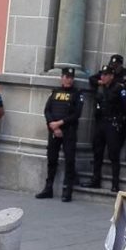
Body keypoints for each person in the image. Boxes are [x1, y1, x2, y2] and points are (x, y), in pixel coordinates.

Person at [37, 67, 84, 201]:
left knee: (69, 160)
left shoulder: (77, 94)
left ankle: (67, 190)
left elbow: (77, 114)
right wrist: (53, 125)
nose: (68, 79)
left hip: (68, 131)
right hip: (54, 131)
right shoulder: (55, 92)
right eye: (66, 76)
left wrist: (60, 123)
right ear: (61, 77)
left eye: (70, 77)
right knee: (52, 159)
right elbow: (47, 110)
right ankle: (48, 188)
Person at [82, 65, 126, 193]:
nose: (102, 77)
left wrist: (120, 122)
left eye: (105, 75)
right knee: (97, 152)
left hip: (112, 124)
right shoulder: (101, 88)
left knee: (113, 154)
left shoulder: (119, 88)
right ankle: (95, 180)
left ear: (112, 76)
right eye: (102, 74)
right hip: (100, 123)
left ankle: (115, 183)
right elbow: (92, 80)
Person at [108, 54, 126, 139]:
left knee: (123, 128)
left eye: (116, 65)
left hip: (124, 105)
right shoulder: (109, 73)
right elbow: (93, 79)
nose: (114, 67)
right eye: (112, 65)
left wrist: (122, 86)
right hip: (113, 104)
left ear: (120, 65)